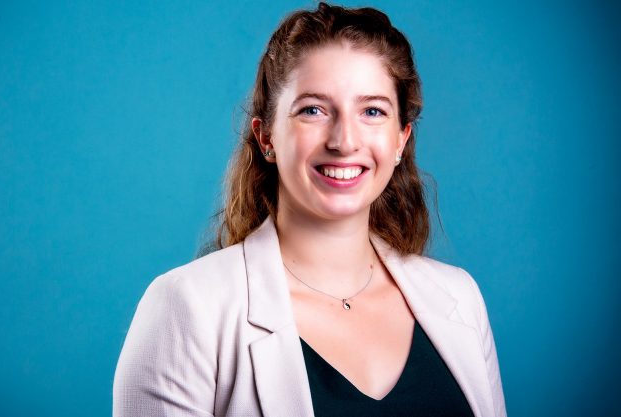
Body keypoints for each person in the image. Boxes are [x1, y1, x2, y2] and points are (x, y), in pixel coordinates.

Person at [113, 2, 506, 416]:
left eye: (372, 111)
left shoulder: (460, 298)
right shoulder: (185, 309)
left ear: (400, 141)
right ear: (266, 137)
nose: (344, 140)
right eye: (313, 110)